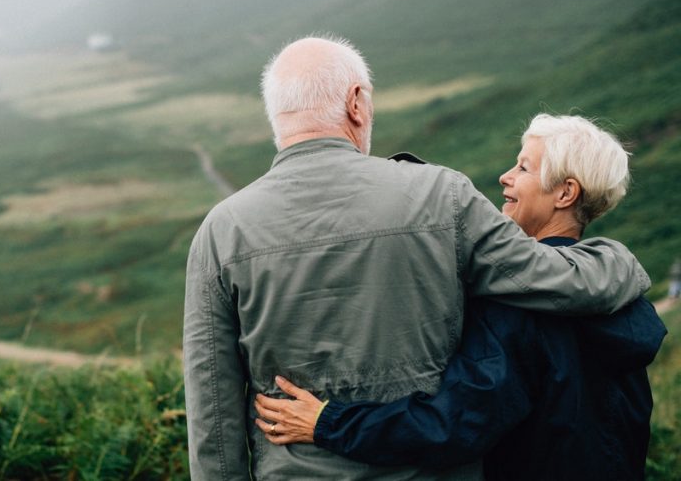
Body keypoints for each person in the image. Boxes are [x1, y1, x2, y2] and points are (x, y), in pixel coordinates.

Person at [183, 35, 651, 480]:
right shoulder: (442, 196)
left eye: (524, 167)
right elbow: (554, 280)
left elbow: (213, 417)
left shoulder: (220, 232)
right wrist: (621, 261)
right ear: (356, 102)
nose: (509, 177)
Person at [253, 114, 667, 480]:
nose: (506, 176)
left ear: (565, 194)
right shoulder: (623, 300)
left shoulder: (520, 307)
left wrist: (328, 422)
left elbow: (453, 426)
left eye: (523, 167)